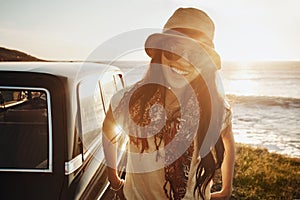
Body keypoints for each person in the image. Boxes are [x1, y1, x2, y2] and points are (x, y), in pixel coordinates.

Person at [103, 7, 235, 200]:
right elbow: (108, 129)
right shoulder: (128, 100)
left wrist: (227, 189)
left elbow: (228, 140)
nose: (184, 61)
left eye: (196, 55)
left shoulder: (215, 109)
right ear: (160, 53)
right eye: (175, 50)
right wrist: (112, 177)